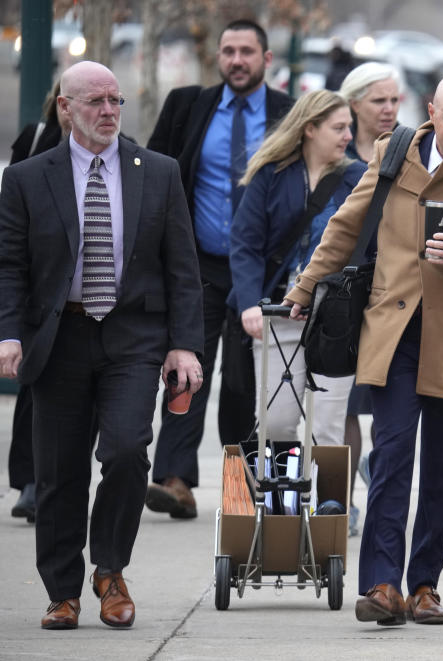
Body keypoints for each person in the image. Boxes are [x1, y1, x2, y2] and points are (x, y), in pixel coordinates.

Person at [283, 74, 443, 626]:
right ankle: (381, 584)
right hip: (393, 334)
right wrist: (304, 288)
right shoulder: (393, 155)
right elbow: (345, 228)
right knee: (392, 457)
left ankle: (424, 585)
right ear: (432, 113)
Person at [0, 61, 204, 630]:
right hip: (59, 337)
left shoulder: (158, 172)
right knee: (59, 472)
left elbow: (182, 268)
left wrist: (185, 344)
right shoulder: (26, 178)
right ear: (65, 108)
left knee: (125, 450)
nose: (109, 111)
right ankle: (62, 591)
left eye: (116, 100)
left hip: (133, 335)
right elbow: (9, 266)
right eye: (96, 101)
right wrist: (8, 334)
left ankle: (110, 570)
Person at [145, 19, 294, 519]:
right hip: (198, 266)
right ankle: (174, 479)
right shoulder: (188, 106)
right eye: (228, 50)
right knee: (186, 369)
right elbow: (157, 179)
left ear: (266, 60)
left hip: (261, 272)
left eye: (246, 51)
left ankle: (242, 487)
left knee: (246, 383)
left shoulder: (288, 115)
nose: (236, 60)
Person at [229, 91, 365, 453]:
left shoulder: (358, 178)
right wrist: (248, 304)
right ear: (310, 129)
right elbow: (245, 244)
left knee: (327, 429)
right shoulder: (270, 175)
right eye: (338, 127)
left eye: (349, 127)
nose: (348, 136)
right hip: (277, 313)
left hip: (334, 320)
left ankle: (329, 508)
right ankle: (279, 507)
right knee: (275, 422)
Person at [336, 60, 402, 534]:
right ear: (354, 102)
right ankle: (343, 501)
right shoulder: (334, 149)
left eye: (395, 100)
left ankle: (379, 478)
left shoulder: (403, 150)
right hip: (346, 290)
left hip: (390, 291)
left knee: (383, 397)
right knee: (344, 404)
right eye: (378, 100)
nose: (389, 109)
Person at [6, 81, 72, 523]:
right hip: (38, 284)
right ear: (60, 103)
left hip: (88, 291)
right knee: (35, 385)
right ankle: (30, 481)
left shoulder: (121, 152)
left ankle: (56, 481)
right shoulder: (34, 139)